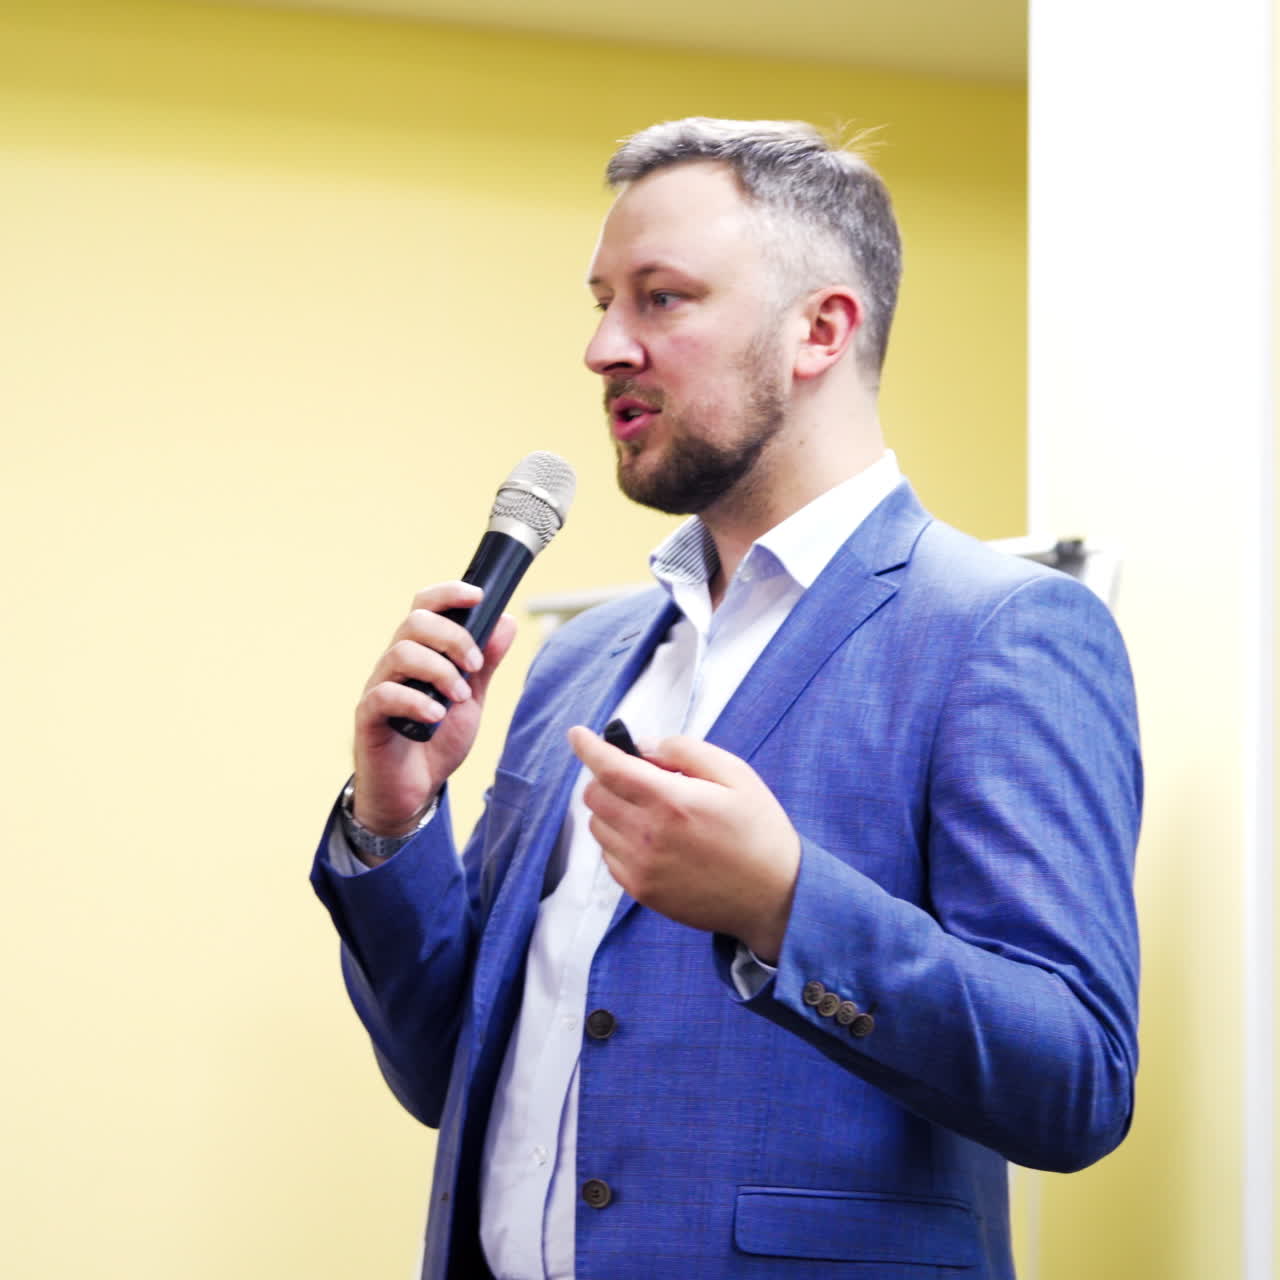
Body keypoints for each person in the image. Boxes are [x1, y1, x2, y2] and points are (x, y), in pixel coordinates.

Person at [310, 118, 1141, 1280]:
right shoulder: (581, 657)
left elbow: (1077, 1082)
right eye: (600, 300)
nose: (603, 347)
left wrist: (783, 902)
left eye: (661, 298)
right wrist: (396, 822)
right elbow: (442, 1069)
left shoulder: (1002, 630)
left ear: (819, 328)